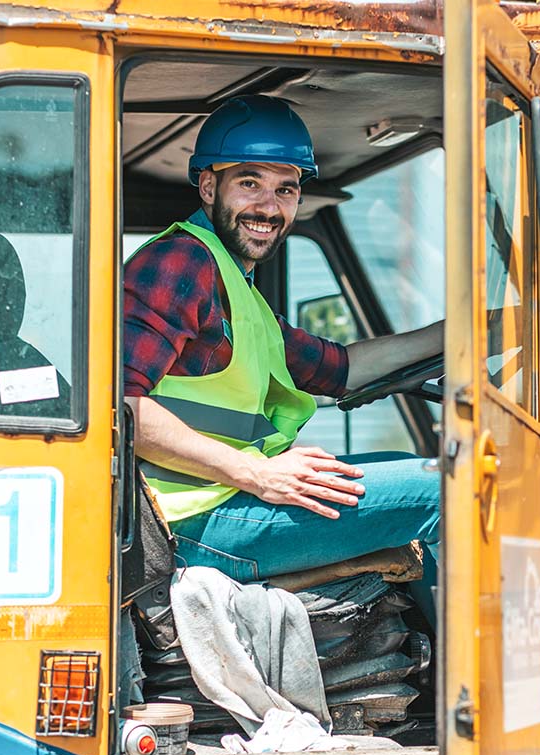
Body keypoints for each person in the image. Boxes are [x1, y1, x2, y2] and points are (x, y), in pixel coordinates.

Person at [123, 95, 441, 624]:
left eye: (286, 189)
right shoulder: (182, 260)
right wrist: (258, 474)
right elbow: (122, 403)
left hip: (225, 503)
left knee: (412, 468)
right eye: (250, 183)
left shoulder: (236, 288)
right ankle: (481, 693)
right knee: (455, 486)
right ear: (208, 187)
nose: (269, 207)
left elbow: (341, 370)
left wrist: (464, 335)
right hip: (194, 523)